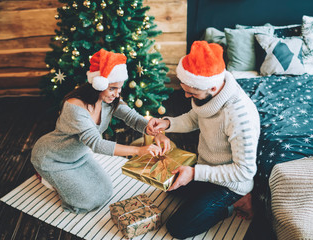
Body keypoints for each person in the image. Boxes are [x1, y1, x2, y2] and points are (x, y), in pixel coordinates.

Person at [31, 49, 171, 213]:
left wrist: (157, 133)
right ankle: (46, 177)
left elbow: (132, 118)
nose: (117, 94)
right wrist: (138, 151)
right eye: (112, 88)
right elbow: (96, 144)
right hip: (52, 158)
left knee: (106, 191)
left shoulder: (110, 99)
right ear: (98, 84)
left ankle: (64, 180)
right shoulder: (74, 107)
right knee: (86, 201)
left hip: (79, 156)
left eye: (119, 88)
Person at [147, 41, 260, 238]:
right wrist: (167, 123)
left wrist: (194, 173)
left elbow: (245, 170)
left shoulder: (239, 116)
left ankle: (237, 202)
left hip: (231, 184)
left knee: (178, 228)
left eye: (191, 92)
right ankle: (202, 192)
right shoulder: (207, 96)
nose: (186, 95)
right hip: (206, 168)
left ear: (213, 87)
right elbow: (194, 118)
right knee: (167, 185)